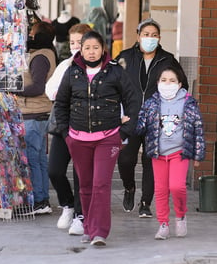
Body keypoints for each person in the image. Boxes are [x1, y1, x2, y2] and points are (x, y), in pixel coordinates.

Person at [54, 31, 140, 246]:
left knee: (101, 184)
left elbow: (133, 102)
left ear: (103, 49)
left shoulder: (115, 72)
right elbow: (61, 104)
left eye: (95, 48)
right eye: (87, 48)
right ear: (80, 50)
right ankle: (88, 227)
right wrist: (66, 135)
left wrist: (124, 132)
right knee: (85, 185)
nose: (91, 52)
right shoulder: (71, 72)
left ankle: (99, 232)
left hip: (108, 137)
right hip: (78, 138)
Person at [116, 18, 189, 218]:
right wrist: (117, 113)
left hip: (157, 120)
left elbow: (182, 86)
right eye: (146, 34)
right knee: (125, 159)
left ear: (159, 38)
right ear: (138, 36)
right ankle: (129, 188)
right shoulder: (124, 57)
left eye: (154, 35)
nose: (150, 38)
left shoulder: (167, 60)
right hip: (130, 119)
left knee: (151, 160)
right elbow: (111, 85)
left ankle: (145, 202)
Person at [135, 66, 205, 239]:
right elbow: (140, 127)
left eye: (172, 80)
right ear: (157, 83)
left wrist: (198, 154)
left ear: (180, 84)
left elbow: (198, 128)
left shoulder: (188, 103)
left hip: (179, 153)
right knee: (161, 189)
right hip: (158, 154)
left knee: (177, 186)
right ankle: (163, 224)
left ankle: (181, 215)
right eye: (164, 80)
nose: (168, 84)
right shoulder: (151, 103)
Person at [46, 23, 93, 235]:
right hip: (62, 125)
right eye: (72, 42)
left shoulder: (100, 67)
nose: (75, 47)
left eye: (79, 42)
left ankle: (80, 216)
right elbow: (50, 90)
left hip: (86, 127)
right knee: (54, 170)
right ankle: (68, 204)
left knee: (81, 174)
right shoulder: (65, 65)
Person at [16, 21, 57, 214]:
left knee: (33, 158)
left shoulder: (40, 57)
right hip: (37, 113)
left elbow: (38, 87)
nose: (29, 36)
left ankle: (39, 201)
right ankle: (43, 200)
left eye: (32, 33)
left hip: (34, 114)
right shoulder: (44, 53)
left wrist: (15, 90)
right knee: (39, 158)